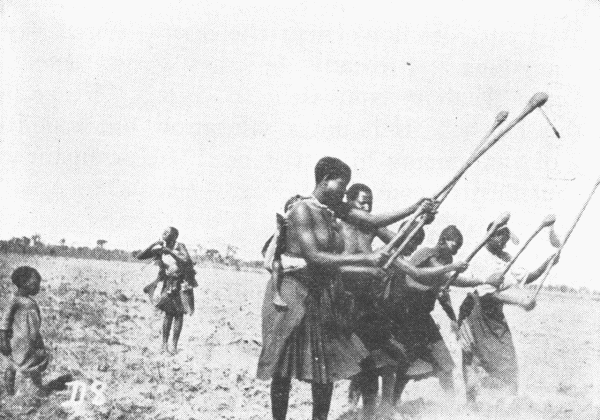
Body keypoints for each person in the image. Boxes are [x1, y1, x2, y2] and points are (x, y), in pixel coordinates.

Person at [256, 157, 436, 420]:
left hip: (322, 297)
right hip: (293, 294)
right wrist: (366, 258)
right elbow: (315, 256)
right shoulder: (302, 211)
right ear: (325, 179)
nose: (344, 192)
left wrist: (415, 209)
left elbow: (372, 220)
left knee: (324, 371)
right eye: (342, 185)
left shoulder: (332, 210)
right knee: (283, 370)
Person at [338, 184, 468, 420]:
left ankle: (380, 411)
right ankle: (357, 406)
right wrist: (413, 209)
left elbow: (402, 243)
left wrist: (420, 218)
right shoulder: (339, 223)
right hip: (346, 303)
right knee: (359, 363)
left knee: (385, 361)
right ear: (348, 200)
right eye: (361, 202)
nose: (366, 207)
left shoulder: (373, 230)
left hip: (371, 307)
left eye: (370, 203)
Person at [457, 222, 558, 408]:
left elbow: (528, 276)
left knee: (507, 358)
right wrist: (520, 302)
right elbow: (487, 293)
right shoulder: (480, 257)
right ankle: (470, 404)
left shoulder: (506, 257)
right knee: (473, 358)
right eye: (501, 239)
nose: (504, 244)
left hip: (494, 314)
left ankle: (506, 403)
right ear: (491, 235)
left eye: (506, 240)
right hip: (475, 311)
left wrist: (547, 263)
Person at [390, 225, 491, 407]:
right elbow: (411, 276)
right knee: (406, 365)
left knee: (445, 364)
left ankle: (450, 407)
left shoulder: (446, 263)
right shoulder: (425, 254)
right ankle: (392, 402)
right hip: (405, 318)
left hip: (423, 319)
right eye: (455, 245)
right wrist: (483, 280)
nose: (457, 250)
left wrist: (453, 317)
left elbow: (443, 293)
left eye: (460, 247)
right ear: (443, 240)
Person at [137, 227, 195, 354]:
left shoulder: (179, 246)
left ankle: (173, 346)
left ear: (174, 236)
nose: (164, 233)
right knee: (168, 314)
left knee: (179, 314)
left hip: (181, 284)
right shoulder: (161, 248)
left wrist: (170, 252)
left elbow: (186, 260)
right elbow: (140, 256)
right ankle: (164, 345)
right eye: (163, 231)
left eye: (167, 232)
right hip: (168, 283)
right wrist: (154, 244)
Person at [0, 267, 50, 400]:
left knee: (35, 364)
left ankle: (39, 386)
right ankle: (9, 392)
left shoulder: (32, 302)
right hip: (17, 342)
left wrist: (38, 338)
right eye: (35, 284)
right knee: (12, 366)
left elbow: (35, 324)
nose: (38, 288)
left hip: (31, 341)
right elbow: (5, 322)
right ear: (23, 284)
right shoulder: (15, 300)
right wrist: (3, 340)